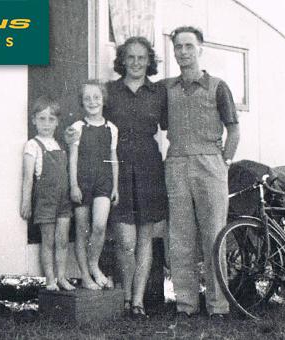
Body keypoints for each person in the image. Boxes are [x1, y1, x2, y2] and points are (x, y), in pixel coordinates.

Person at [163, 26, 240, 318]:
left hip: (210, 164)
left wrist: (225, 161)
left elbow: (233, 130)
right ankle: (186, 305)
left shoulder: (218, 86)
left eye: (189, 46)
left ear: (200, 49)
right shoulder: (167, 88)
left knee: (214, 236)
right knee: (181, 237)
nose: (183, 52)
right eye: (178, 47)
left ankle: (218, 305)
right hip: (176, 163)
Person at [105, 36, 168, 319]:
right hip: (118, 164)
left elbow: (171, 127)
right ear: (122, 60)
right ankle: (127, 297)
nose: (136, 63)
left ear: (149, 61)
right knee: (124, 240)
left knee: (145, 239)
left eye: (142, 57)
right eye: (130, 57)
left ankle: (138, 302)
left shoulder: (158, 93)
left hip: (148, 167)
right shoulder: (109, 91)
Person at [20, 96, 75, 291]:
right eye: (42, 118)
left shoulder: (59, 145)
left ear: (57, 122)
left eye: (51, 119)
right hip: (45, 200)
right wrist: (26, 202)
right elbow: (28, 178)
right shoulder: (32, 145)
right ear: (34, 120)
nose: (46, 123)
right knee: (48, 240)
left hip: (63, 200)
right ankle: (50, 279)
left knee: (62, 241)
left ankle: (62, 277)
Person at [69, 80, 119, 290]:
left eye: (96, 97)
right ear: (82, 101)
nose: (92, 102)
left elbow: (113, 157)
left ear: (103, 100)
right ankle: (85, 276)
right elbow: (72, 158)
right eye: (87, 98)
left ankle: (93, 264)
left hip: (104, 182)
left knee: (99, 226)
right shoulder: (78, 127)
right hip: (82, 182)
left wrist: (115, 187)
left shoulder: (111, 128)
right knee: (82, 229)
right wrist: (73, 185)